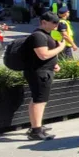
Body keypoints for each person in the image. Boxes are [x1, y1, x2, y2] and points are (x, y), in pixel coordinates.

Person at [24, 12, 66, 141]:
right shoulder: (38, 36)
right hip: (39, 73)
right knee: (39, 101)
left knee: (38, 99)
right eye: (53, 22)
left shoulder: (45, 35)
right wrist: (61, 47)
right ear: (43, 22)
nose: (56, 25)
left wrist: (54, 64)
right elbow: (43, 55)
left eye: (57, 22)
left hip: (44, 71)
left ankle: (36, 126)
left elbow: (45, 56)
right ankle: (36, 131)